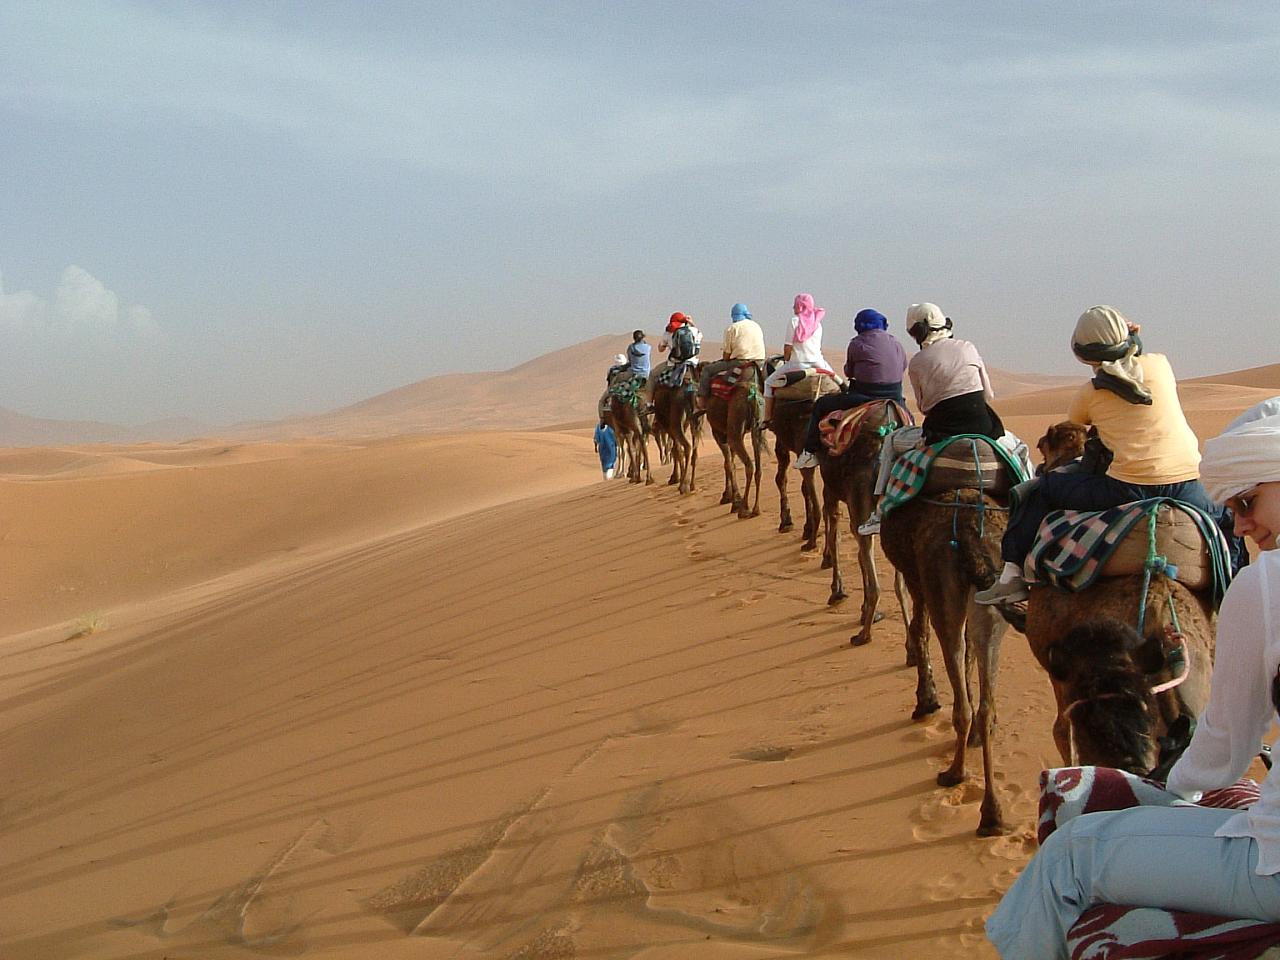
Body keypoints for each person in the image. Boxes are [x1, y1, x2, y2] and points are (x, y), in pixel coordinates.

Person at [985, 400, 1280, 960]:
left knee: (1066, 857)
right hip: (1174, 487)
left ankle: (1009, 573)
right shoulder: (1155, 380)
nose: (1241, 525)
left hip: (1271, 867)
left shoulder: (1266, 582)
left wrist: (1171, 795)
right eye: (1234, 510)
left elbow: (1223, 751)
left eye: (1248, 502)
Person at [976, 305, 1222, 605]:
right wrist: (1131, 336)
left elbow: (1075, 427)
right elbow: (1134, 359)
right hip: (1188, 485)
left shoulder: (1089, 394)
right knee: (1228, 519)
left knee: (1039, 491)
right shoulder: (1160, 365)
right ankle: (1236, 580)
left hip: (1126, 489)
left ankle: (1012, 575)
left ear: (1084, 355)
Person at [856, 303, 1007, 536]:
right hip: (985, 429)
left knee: (891, 442)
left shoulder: (917, 362)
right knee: (1018, 452)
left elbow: (924, 406)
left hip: (941, 434)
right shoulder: (968, 347)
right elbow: (989, 394)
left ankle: (879, 511)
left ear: (916, 332)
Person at [792, 308, 908, 470]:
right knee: (908, 421)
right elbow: (903, 366)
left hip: (865, 395)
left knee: (821, 405)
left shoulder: (857, 343)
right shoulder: (896, 343)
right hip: (895, 396)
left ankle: (809, 452)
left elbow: (849, 371)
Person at [762, 293, 834, 427]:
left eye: (795, 305)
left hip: (797, 364)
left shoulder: (794, 321)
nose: (793, 307)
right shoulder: (817, 323)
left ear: (800, 306)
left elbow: (788, 347)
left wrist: (787, 360)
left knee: (768, 383)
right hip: (819, 363)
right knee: (838, 385)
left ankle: (767, 419)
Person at [696, 302, 767, 412]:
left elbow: (726, 356)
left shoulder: (732, 328)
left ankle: (701, 403)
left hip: (740, 362)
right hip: (759, 363)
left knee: (707, 370)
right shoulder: (756, 326)